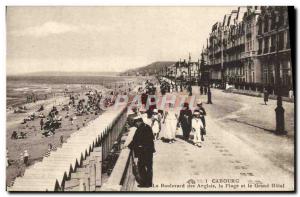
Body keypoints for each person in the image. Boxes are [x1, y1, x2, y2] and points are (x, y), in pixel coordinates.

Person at [128, 117, 155, 188]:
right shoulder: (148, 127)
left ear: (138, 122)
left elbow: (135, 140)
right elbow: (152, 137)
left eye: (136, 124)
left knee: (141, 167)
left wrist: (128, 146)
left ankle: (144, 183)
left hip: (143, 151)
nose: (136, 125)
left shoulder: (140, 129)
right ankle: (149, 183)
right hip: (150, 150)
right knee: (149, 167)